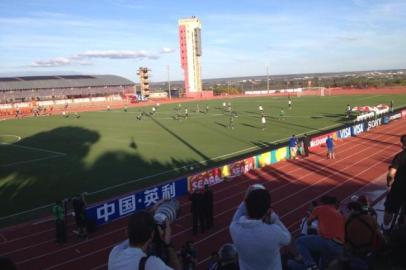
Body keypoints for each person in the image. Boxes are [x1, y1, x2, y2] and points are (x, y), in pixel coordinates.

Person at [229, 187, 291, 270]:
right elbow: (288, 238)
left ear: (246, 206)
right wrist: (274, 218)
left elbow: (237, 216)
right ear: (268, 210)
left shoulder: (234, 228)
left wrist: (246, 200)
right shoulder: (274, 232)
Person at [108, 211, 181, 270]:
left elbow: (136, 234)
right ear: (152, 235)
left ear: (126, 232)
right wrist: (168, 244)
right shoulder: (151, 263)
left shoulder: (115, 251)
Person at [296, 195, 345, 270]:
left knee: (300, 241)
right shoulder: (340, 215)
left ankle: (311, 265)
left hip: (326, 241)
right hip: (340, 246)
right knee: (323, 264)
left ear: (323, 202)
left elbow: (309, 222)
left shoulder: (319, 209)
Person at [382, 134, 406, 232]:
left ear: (402, 143)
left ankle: (386, 229)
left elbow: (391, 174)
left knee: (389, 210)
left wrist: (389, 183)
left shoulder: (399, 156)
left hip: (398, 188)